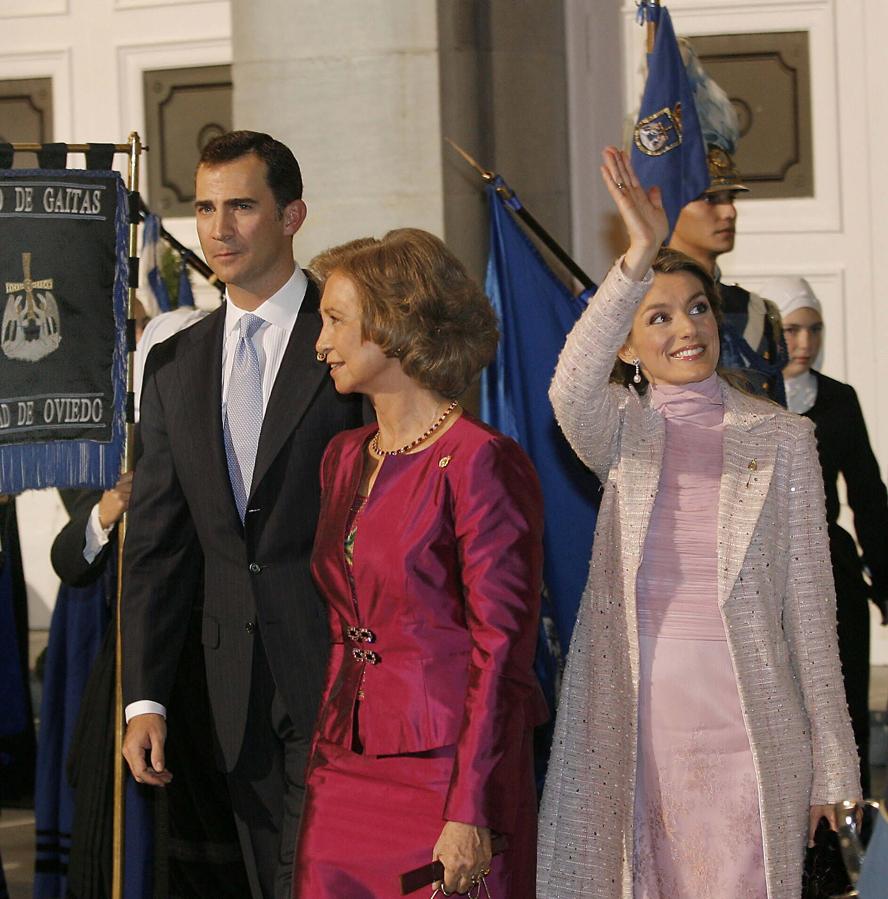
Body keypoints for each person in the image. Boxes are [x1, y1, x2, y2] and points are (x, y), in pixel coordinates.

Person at [537, 148, 860, 899]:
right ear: (629, 344)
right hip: (639, 719)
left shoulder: (784, 437)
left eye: (697, 307)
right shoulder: (622, 430)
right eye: (657, 315)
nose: (686, 327)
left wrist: (835, 765)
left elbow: (811, 618)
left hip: (752, 722)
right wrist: (640, 253)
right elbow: (568, 385)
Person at [120, 130, 364, 899]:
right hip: (230, 687)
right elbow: (158, 544)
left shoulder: (354, 340)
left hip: (348, 673)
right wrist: (145, 696)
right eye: (204, 207)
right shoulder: (173, 363)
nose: (218, 228)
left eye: (241, 207)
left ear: (292, 216)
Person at [294, 228, 547, 898]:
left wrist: (472, 806)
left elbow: (502, 652)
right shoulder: (343, 456)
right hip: (341, 770)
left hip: (446, 774)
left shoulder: (480, 460)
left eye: (337, 320)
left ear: (395, 323)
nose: (321, 342)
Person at [761, 274, 888, 797]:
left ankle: (843, 849)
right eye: (792, 329)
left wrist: (883, 580)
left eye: (814, 329)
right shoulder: (750, 399)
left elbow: (868, 494)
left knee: (844, 706)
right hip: (768, 572)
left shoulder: (838, 399)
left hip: (833, 569)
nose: (805, 343)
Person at [667, 40, 786, 403]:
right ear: (670, 204)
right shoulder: (629, 309)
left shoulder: (754, 312)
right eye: (709, 199)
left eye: (730, 198)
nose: (728, 211)